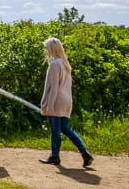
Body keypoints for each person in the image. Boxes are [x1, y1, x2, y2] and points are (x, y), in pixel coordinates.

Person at [39, 37, 94, 168]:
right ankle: (85, 153)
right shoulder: (65, 64)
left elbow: (54, 88)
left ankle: (54, 156)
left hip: (57, 100)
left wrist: (49, 106)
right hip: (67, 100)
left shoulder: (54, 64)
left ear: (52, 49)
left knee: (55, 130)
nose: (45, 50)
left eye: (46, 48)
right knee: (65, 129)